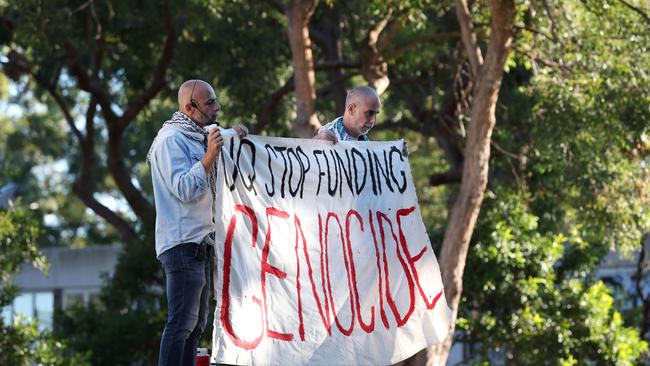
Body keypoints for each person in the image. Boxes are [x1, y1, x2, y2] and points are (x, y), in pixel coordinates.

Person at [147, 79, 247, 366]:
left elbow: (220, 137)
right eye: (210, 103)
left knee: (196, 325)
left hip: (202, 246)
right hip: (182, 245)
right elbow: (184, 189)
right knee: (181, 323)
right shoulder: (170, 141)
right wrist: (209, 157)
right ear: (190, 108)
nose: (218, 108)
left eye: (216, 101)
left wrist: (236, 134)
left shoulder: (198, 135)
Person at [313, 85, 381, 142]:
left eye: (376, 114)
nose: (373, 121)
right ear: (351, 109)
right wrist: (315, 143)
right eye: (369, 113)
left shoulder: (366, 144)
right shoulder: (325, 139)